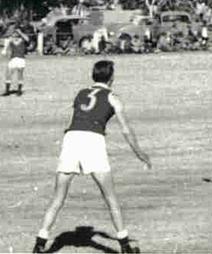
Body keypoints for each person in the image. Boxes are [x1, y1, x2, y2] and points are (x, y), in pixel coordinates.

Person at [32, 60, 151, 253]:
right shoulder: (113, 97)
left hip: (71, 139)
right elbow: (126, 130)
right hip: (93, 141)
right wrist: (140, 153)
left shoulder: (80, 93)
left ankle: (39, 244)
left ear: (93, 76)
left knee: (58, 198)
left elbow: (69, 123)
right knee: (110, 197)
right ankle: (126, 246)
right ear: (111, 77)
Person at [2, 27, 29, 96]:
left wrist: (20, 32)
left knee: (20, 74)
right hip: (13, 59)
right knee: (8, 74)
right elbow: (5, 45)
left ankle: (19, 90)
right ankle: (7, 90)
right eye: (14, 34)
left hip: (21, 59)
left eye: (16, 34)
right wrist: (5, 50)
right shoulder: (11, 40)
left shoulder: (22, 40)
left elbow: (27, 39)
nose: (15, 35)